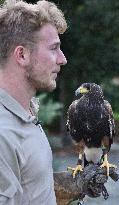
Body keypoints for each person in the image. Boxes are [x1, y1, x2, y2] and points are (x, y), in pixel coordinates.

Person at [0, 0, 67, 204]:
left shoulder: (24, 113)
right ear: (22, 55)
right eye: (54, 48)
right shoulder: (4, 133)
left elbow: (27, 188)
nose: (62, 59)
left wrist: (74, 185)